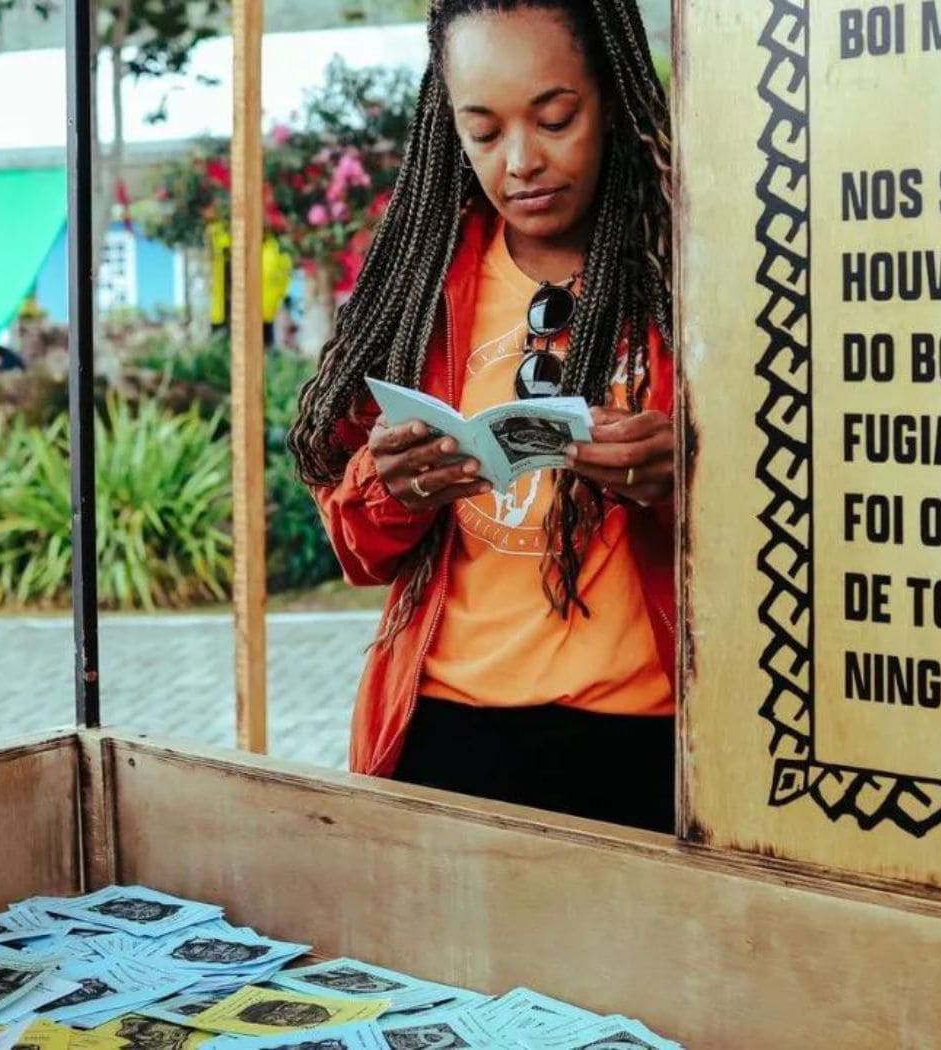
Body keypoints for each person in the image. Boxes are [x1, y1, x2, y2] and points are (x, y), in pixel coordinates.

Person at [286, 0, 676, 833]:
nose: (523, 162)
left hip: (652, 741)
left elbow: (795, 522)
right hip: (446, 735)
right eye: (485, 132)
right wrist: (395, 488)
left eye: (556, 118)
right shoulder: (425, 281)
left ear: (610, 97)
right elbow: (355, 550)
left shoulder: (687, 269)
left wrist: (680, 483)